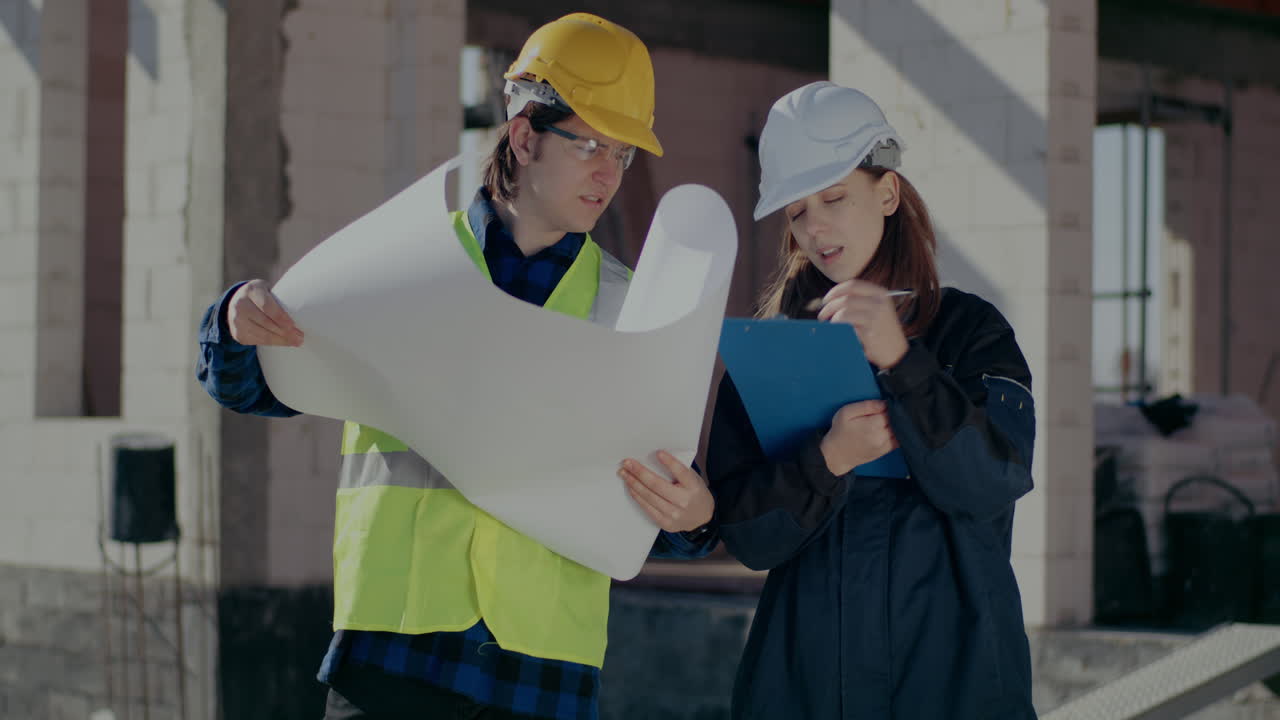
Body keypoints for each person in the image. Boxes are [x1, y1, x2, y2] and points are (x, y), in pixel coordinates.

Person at [196, 14, 715, 720]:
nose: (607, 172)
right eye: (590, 143)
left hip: (540, 677)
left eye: (621, 154)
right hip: (392, 660)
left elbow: (661, 516)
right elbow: (252, 387)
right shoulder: (402, 267)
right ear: (526, 135)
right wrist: (235, 321)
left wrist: (691, 516)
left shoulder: (632, 311)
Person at [655, 81, 1037, 718]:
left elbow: (992, 480)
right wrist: (827, 460)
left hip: (953, 686)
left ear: (886, 192)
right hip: (806, 689)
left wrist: (904, 363)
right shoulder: (769, 350)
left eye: (834, 197)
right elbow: (751, 540)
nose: (816, 226)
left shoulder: (973, 333)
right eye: (799, 211)